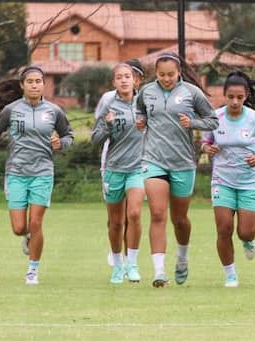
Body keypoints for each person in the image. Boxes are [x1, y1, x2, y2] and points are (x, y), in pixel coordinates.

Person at [0, 66, 73, 285]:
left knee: (36, 222)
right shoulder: (11, 110)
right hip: (16, 173)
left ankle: (32, 271)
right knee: (19, 228)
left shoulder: (54, 111)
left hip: (42, 172)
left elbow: (68, 135)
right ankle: (28, 237)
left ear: (43, 85)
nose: (34, 85)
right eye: (30, 81)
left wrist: (60, 143)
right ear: (22, 85)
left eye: (38, 81)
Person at [135, 52, 219, 287]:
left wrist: (192, 123)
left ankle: (182, 257)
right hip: (153, 159)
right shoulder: (146, 92)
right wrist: (140, 121)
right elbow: (139, 111)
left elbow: (212, 120)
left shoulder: (192, 93)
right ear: (156, 74)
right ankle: (159, 271)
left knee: (179, 219)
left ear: (179, 72)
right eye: (161, 74)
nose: (166, 78)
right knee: (158, 213)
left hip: (182, 162)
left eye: (171, 74)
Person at [201, 71, 255, 288]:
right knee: (223, 229)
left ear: (246, 96)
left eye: (239, 97)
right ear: (224, 95)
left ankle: (248, 242)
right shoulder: (216, 117)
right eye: (230, 96)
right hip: (223, 181)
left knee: (245, 231)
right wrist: (208, 148)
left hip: (249, 182)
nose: (234, 101)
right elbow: (205, 142)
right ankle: (230, 274)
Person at [91, 63, 145, 284]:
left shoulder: (144, 105)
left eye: (128, 77)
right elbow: (95, 139)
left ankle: (132, 264)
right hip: (114, 169)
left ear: (136, 81)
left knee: (134, 214)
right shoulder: (109, 105)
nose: (124, 81)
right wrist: (107, 125)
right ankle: (117, 265)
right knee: (115, 222)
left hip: (138, 168)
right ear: (114, 82)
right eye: (119, 77)